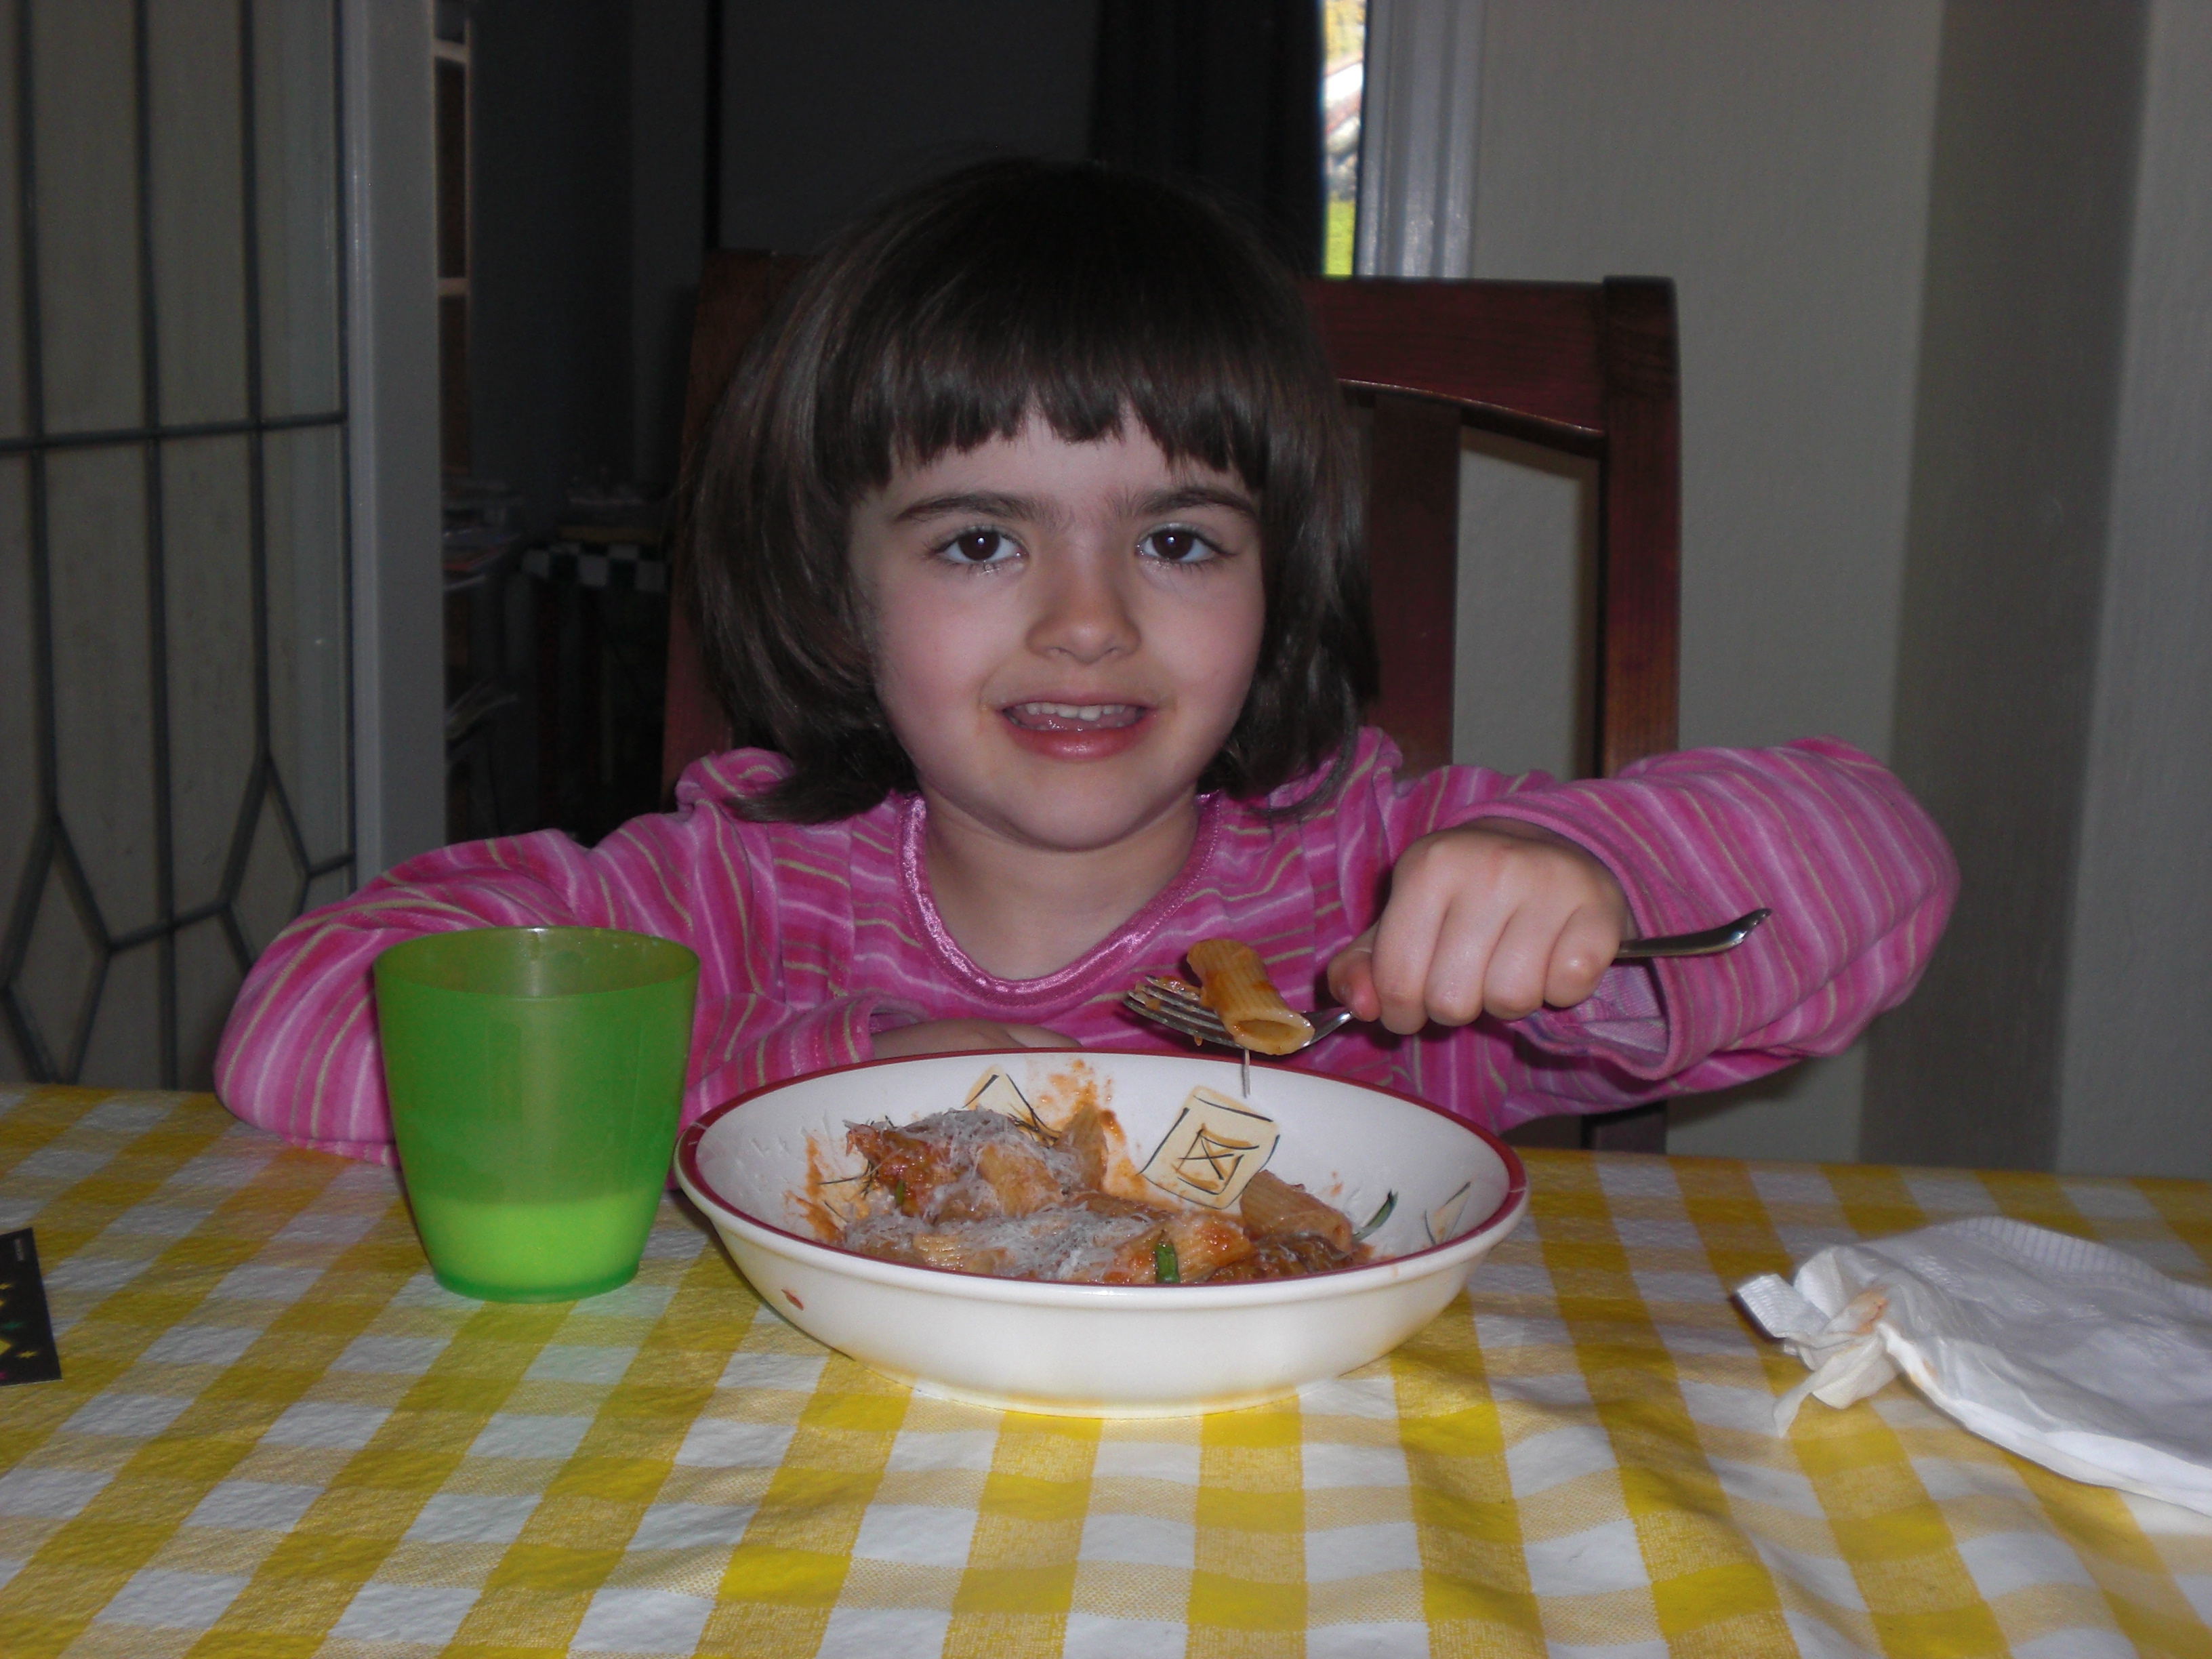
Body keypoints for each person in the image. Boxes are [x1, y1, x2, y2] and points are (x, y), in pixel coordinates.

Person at [216, 162, 1954, 1163]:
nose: (1089, 618)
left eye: (1180, 541)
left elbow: (1878, 857)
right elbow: (301, 1020)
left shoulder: (1376, 895)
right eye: (981, 539)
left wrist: (1590, 876)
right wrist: (819, 1065)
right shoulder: (729, 900)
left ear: (1282, 586)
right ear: (834, 587)